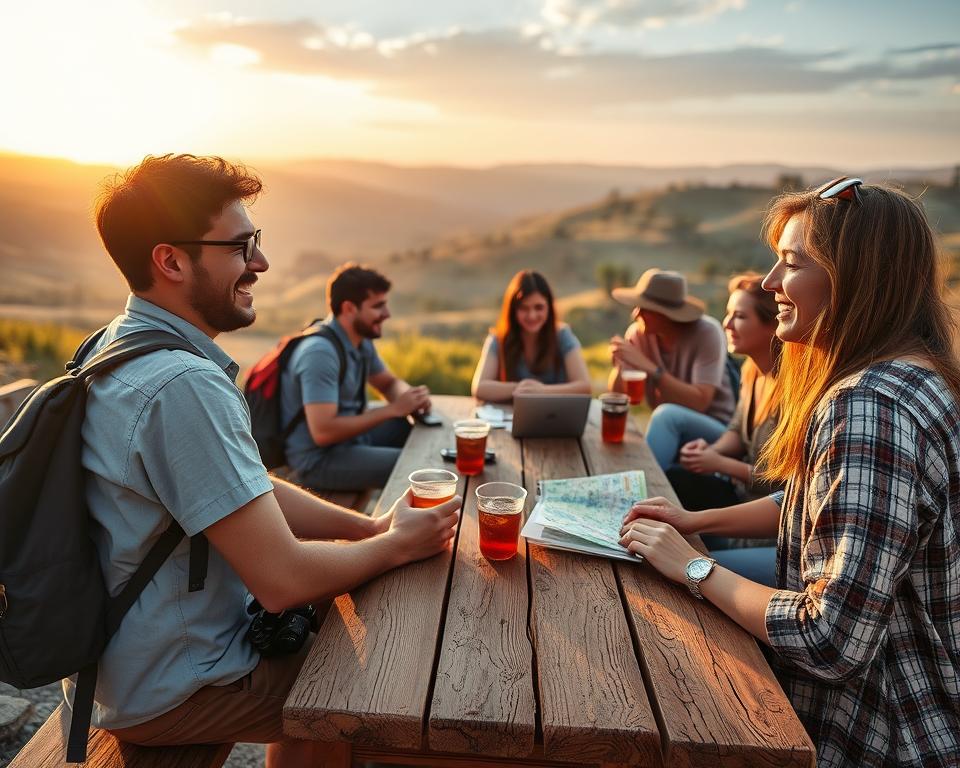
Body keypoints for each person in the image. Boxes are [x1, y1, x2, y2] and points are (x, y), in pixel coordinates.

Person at [76, 154, 460, 768]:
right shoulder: (181, 386)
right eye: (240, 246)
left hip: (127, 659)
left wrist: (370, 528)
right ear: (171, 260)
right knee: (390, 683)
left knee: (346, 632)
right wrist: (397, 547)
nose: (260, 262)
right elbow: (282, 582)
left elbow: (247, 487)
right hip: (171, 684)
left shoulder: (117, 345)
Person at [620, 177, 960, 767]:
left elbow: (831, 639)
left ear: (856, 276)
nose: (771, 282)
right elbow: (826, 508)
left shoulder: (868, 406)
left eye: (792, 263)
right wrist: (693, 518)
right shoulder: (918, 379)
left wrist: (695, 566)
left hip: (876, 736)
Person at [281, 263, 432, 491]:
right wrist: (393, 409)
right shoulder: (320, 353)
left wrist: (410, 398)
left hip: (351, 440)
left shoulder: (359, 341)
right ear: (350, 308)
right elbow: (323, 432)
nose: (387, 314)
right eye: (378, 306)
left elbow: (388, 383)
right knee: (419, 465)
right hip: (317, 460)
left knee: (419, 430)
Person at [667, 272, 782, 513]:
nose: (727, 324)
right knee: (675, 477)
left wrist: (721, 464)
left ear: (772, 325)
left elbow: (783, 484)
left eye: (739, 316)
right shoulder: (752, 370)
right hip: (739, 493)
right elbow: (737, 430)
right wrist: (711, 452)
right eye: (728, 313)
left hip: (763, 516)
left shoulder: (791, 390)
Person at [608, 269, 735, 468]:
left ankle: (646, 487)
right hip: (668, 430)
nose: (636, 315)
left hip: (718, 434)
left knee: (666, 414)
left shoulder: (707, 333)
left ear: (667, 314)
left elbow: (700, 402)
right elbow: (616, 398)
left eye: (645, 309)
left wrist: (650, 368)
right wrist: (620, 364)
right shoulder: (639, 333)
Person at [471, 270, 591, 402]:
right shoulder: (498, 339)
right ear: (513, 310)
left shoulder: (562, 335)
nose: (532, 315)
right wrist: (522, 388)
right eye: (524, 308)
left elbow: (584, 387)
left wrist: (541, 391)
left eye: (538, 307)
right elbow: (479, 388)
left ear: (549, 308)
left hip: (554, 417)